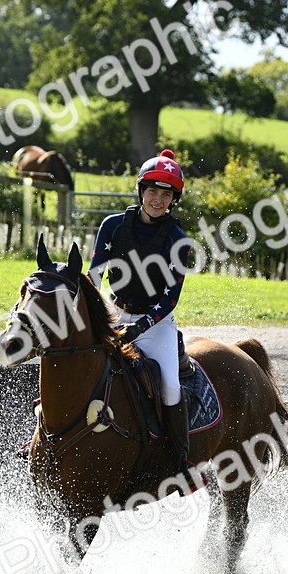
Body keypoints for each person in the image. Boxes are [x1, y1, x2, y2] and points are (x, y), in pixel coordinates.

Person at [88, 148, 192, 474]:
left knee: (171, 387)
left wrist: (139, 327)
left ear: (173, 199)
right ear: (141, 190)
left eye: (165, 194)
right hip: (113, 309)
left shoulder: (179, 240)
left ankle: (179, 459)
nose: (158, 200)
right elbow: (94, 277)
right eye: (152, 191)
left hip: (156, 322)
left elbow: (170, 298)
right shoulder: (112, 226)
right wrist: (96, 315)